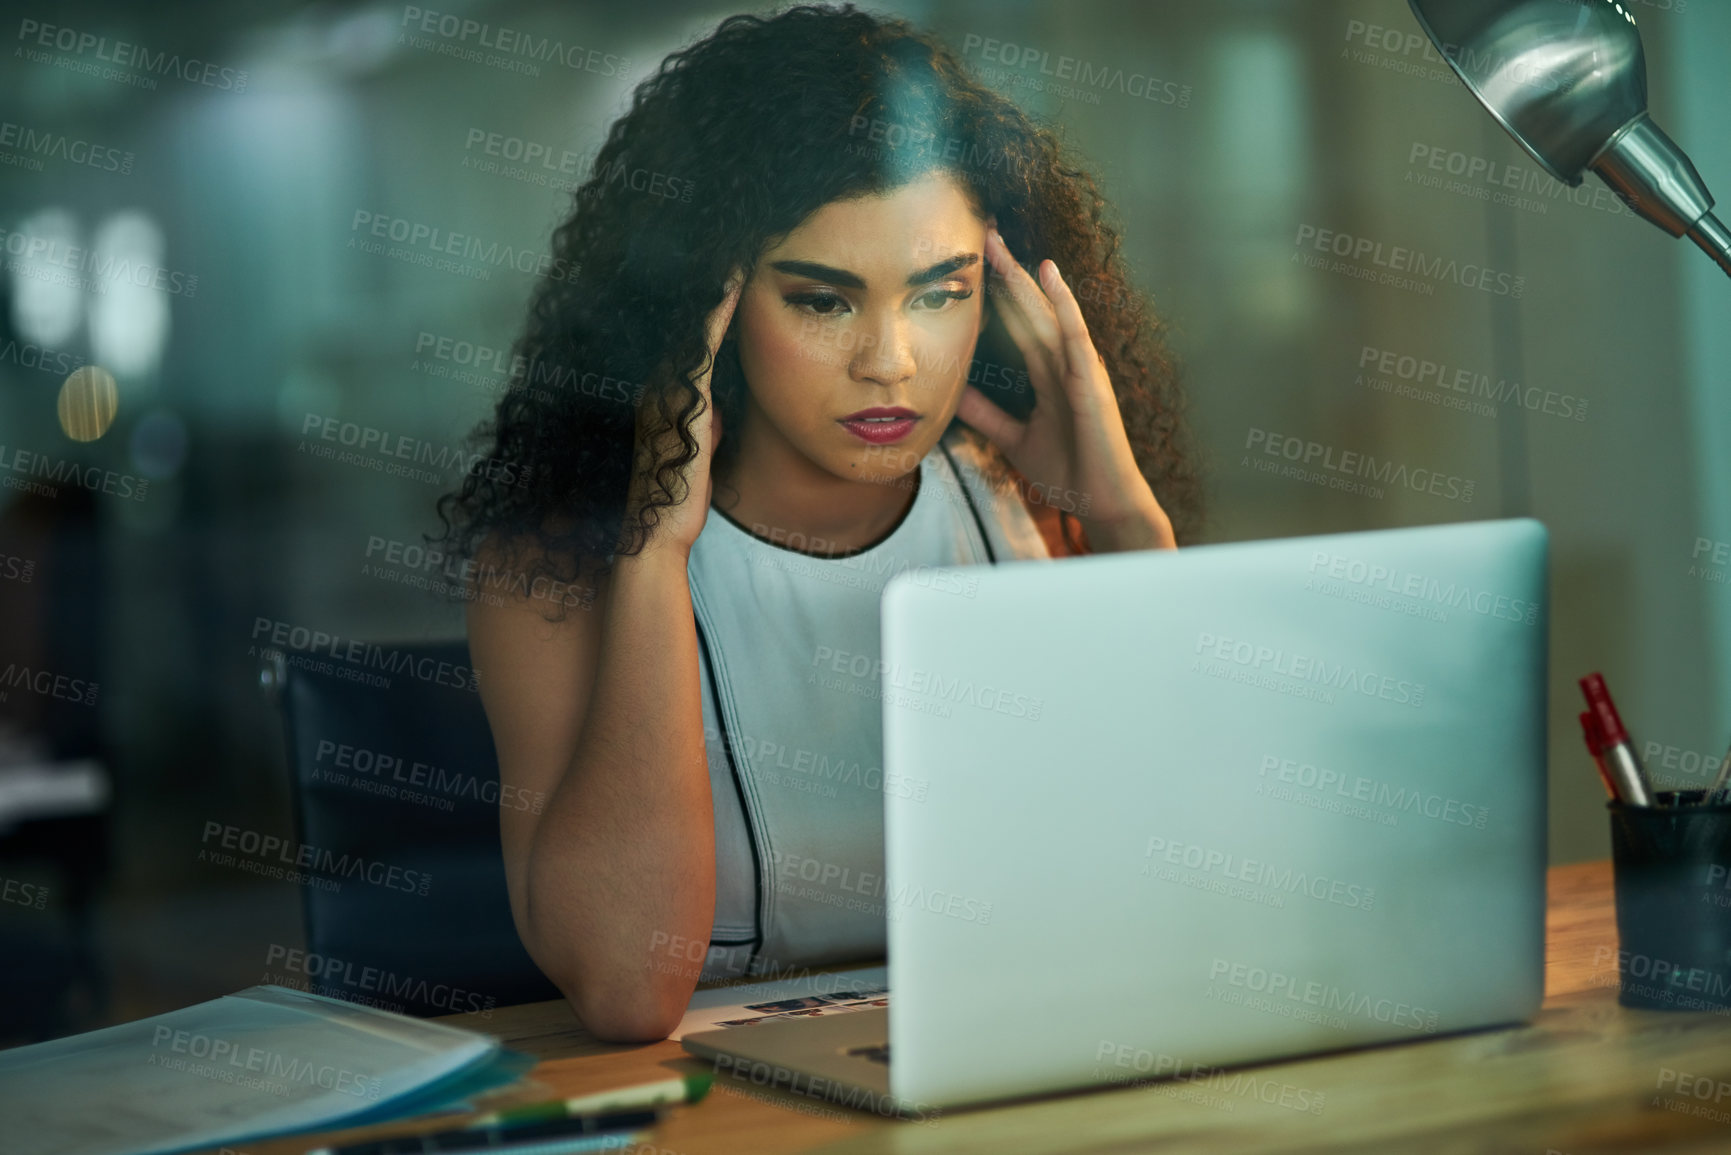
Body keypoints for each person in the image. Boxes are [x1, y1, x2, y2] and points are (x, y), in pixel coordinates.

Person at [434, 3, 1200, 1042]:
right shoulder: (553, 572)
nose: (890, 360)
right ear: (705, 307)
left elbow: (1184, 893)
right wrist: (656, 554)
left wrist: (1122, 522)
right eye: (824, 301)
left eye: (939, 294)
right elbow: (628, 990)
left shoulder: (1027, 509)